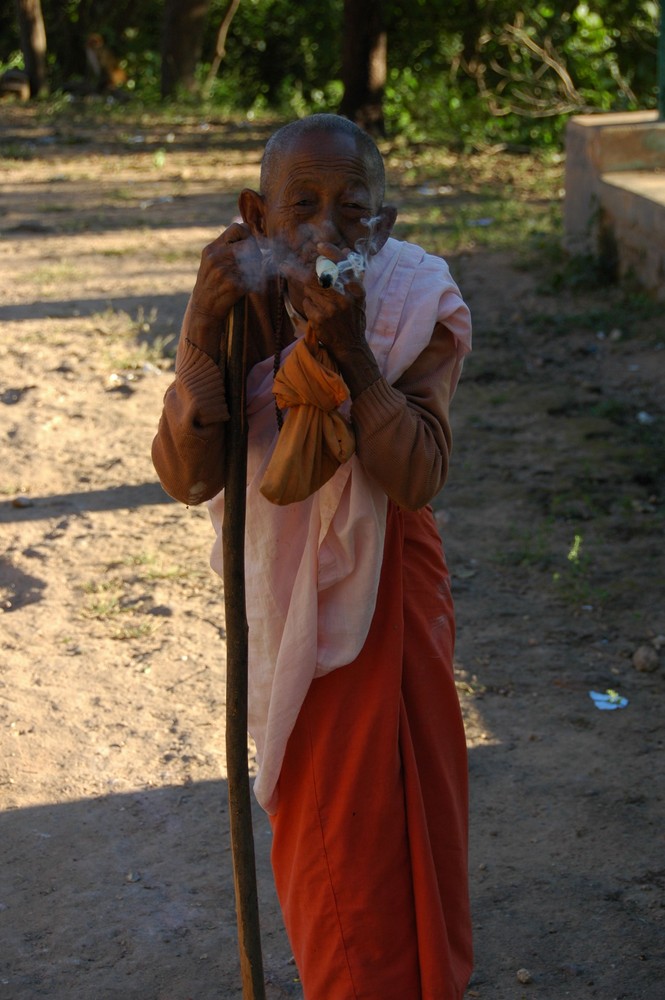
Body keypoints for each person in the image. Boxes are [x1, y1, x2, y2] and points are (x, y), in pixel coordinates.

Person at [152, 113, 473, 1000]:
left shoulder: (413, 298)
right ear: (258, 217)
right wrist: (197, 327)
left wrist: (354, 359)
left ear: (386, 222)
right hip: (283, 596)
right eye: (303, 205)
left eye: (352, 208)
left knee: (410, 825)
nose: (328, 229)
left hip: (389, 600)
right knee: (333, 851)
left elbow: (416, 477)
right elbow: (187, 475)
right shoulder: (241, 295)